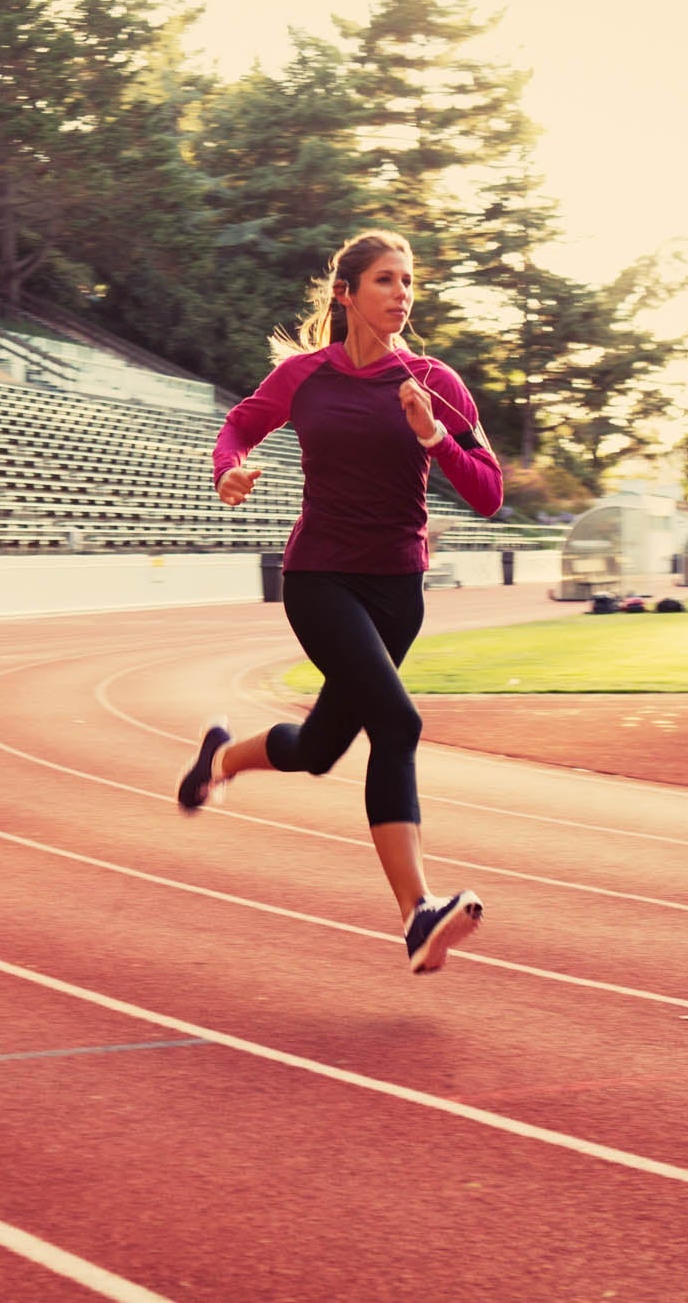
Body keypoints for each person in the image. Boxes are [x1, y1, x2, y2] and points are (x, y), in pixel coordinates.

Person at [176, 229, 506, 975]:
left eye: (409, 282)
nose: (402, 294)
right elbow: (239, 427)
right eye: (386, 280)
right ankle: (417, 912)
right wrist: (229, 468)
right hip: (320, 578)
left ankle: (220, 760)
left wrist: (432, 438)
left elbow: (487, 494)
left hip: (398, 592)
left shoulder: (435, 381)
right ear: (346, 293)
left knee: (322, 749)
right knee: (397, 722)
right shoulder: (305, 376)